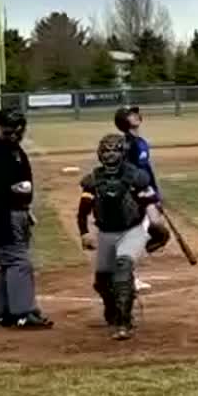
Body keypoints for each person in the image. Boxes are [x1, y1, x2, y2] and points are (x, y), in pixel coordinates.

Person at [78, 132, 160, 341]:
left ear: (123, 153)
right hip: (106, 232)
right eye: (106, 151)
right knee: (102, 281)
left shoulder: (136, 177)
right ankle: (112, 308)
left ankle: (124, 322)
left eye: (115, 150)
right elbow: (83, 210)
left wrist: (156, 225)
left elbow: (149, 204)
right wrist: (85, 232)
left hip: (131, 231)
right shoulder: (93, 180)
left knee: (122, 269)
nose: (110, 155)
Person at [0, 107, 51, 329]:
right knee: (19, 262)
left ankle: (1, 312)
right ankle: (22, 312)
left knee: (8, 263)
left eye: (18, 132)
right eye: (9, 131)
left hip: (17, 212)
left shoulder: (10, 147)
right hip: (2, 214)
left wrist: (25, 208)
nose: (14, 136)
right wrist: (17, 192)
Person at [114, 105, 160, 292]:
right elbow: (126, 172)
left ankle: (126, 272)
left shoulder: (140, 142)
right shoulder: (127, 144)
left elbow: (146, 170)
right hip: (133, 195)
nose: (136, 116)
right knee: (136, 235)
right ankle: (126, 277)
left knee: (147, 231)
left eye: (136, 113)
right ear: (124, 122)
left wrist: (155, 192)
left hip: (144, 192)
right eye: (131, 115)